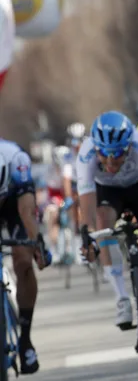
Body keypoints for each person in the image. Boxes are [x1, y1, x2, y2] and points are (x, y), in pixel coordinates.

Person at [77, 111, 138, 330]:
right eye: (103, 153)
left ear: (128, 147)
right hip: (109, 191)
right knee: (101, 221)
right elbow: (87, 200)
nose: (108, 160)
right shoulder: (86, 153)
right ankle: (122, 299)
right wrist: (87, 236)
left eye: (116, 154)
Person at [0, 139, 50, 374]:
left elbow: (27, 212)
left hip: (14, 205)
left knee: (23, 262)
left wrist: (36, 244)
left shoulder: (16, 159)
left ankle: (25, 339)